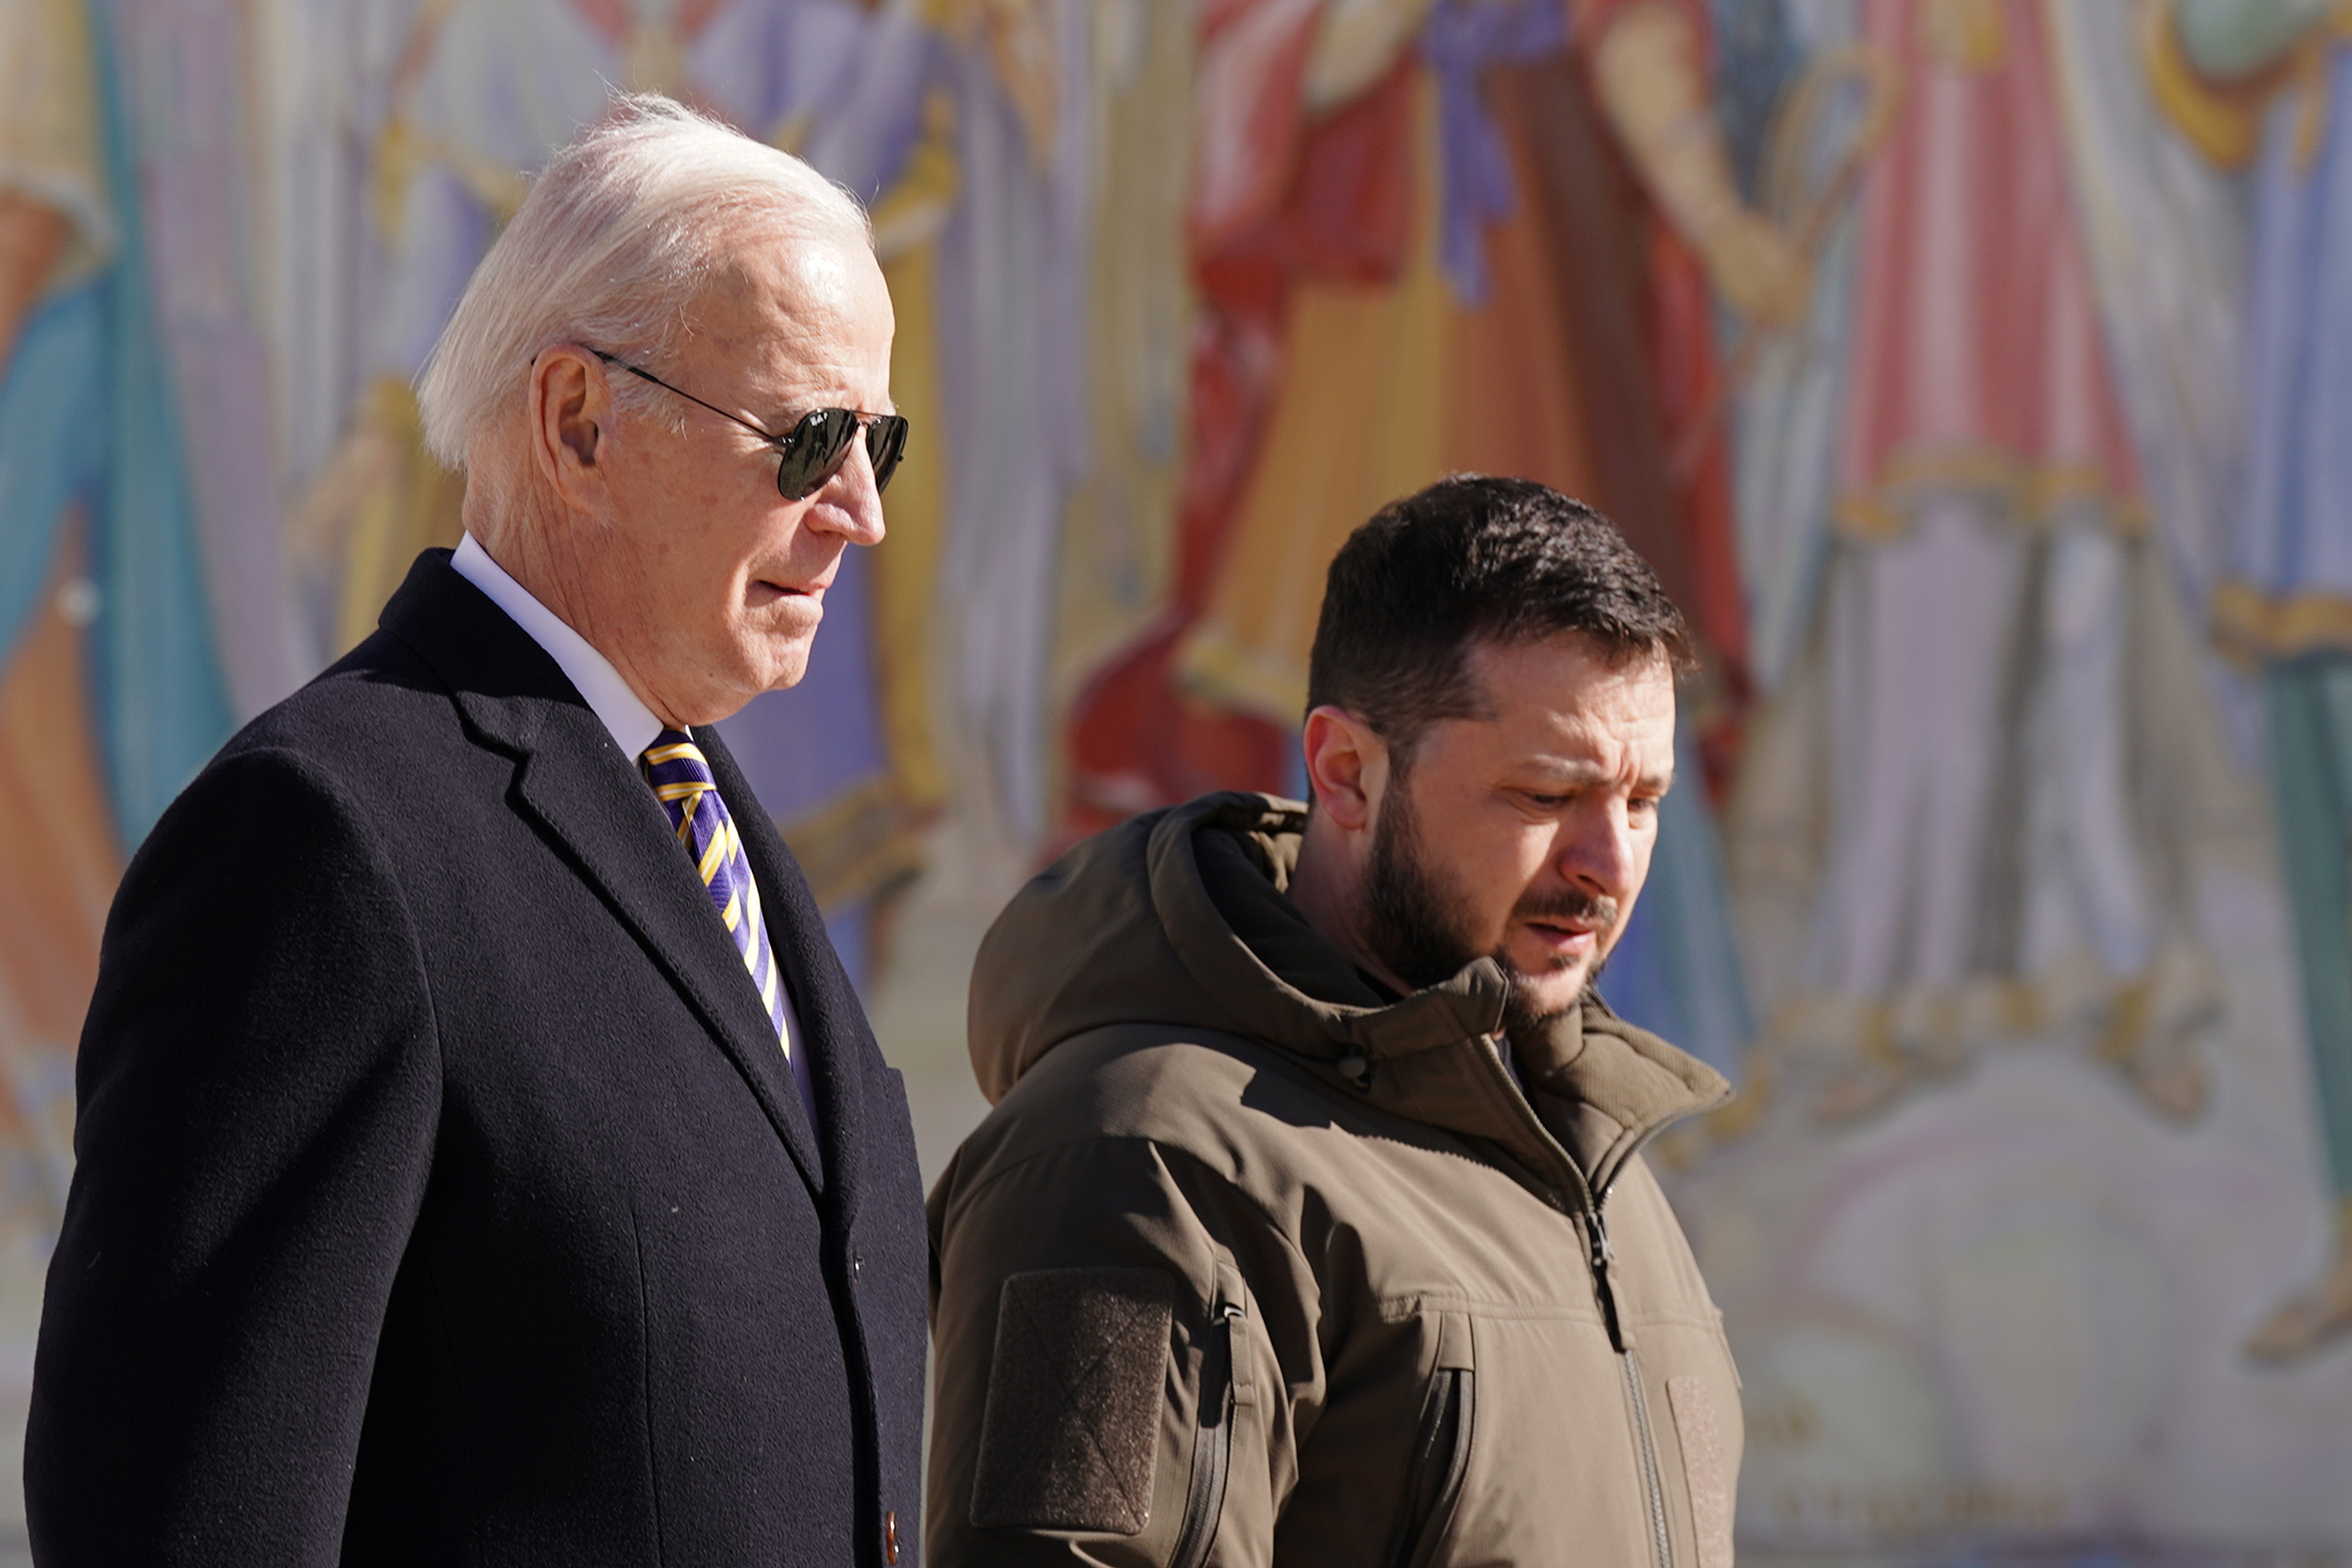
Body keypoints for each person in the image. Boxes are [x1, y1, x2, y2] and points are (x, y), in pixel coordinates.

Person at [26, 94, 930, 1566]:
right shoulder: (325, 842)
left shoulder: (713, 829)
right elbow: (186, 1513)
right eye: (809, 436)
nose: (859, 514)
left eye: (878, 443)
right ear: (579, 420)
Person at [927, 475, 1740, 1567]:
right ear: (1344, 773)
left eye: (1641, 801)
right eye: (1545, 797)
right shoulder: (1138, 1159)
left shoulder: (1601, 1176)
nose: (1609, 865)